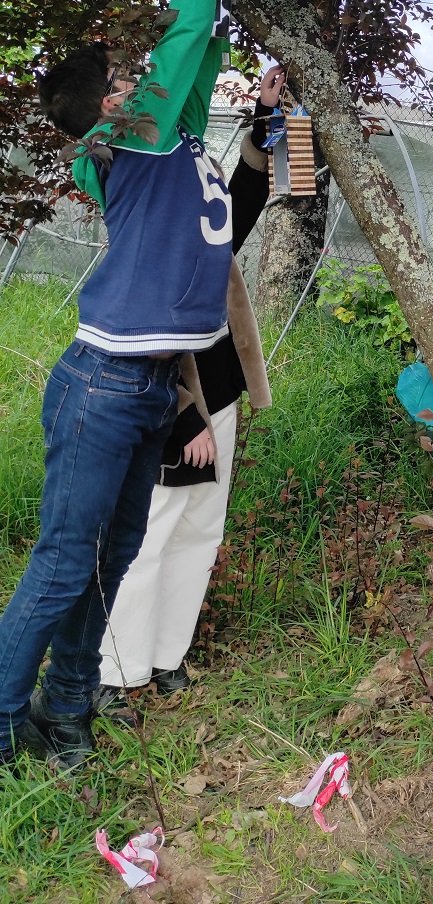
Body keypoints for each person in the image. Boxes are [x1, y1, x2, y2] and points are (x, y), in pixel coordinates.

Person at [0, 0, 232, 771]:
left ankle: (65, 715)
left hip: (145, 392)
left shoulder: (162, 143)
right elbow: (186, 29)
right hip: (101, 387)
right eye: (126, 82)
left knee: (109, 561)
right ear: (109, 104)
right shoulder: (125, 140)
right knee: (63, 564)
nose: (147, 85)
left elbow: (200, 56)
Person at [96, 69, 283, 708]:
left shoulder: (185, 176)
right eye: (126, 86)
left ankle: (165, 656)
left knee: (200, 528)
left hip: (220, 384)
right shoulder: (138, 181)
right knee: (151, 527)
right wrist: (181, 416)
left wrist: (263, 117)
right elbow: (144, 320)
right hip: (175, 394)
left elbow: (239, 210)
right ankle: (116, 672)